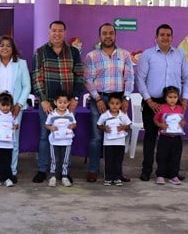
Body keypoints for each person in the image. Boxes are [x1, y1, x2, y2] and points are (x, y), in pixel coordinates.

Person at [136, 24, 188, 182]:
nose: (165, 38)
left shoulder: (180, 55)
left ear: (172, 38)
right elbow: (140, 79)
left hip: (174, 104)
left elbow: (187, 78)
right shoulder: (147, 55)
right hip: (152, 102)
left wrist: (185, 99)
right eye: (162, 35)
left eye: (168, 35)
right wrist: (149, 101)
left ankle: (170, 172)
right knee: (150, 138)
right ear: (156, 37)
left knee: (172, 139)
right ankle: (147, 170)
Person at [31, 20, 84, 183]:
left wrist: (75, 98)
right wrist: (43, 100)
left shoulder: (74, 52)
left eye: (60, 30)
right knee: (45, 134)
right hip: (48, 103)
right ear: (49, 32)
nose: (57, 33)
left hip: (66, 104)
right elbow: (36, 77)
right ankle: (42, 170)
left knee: (66, 134)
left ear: (65, 33)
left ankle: (63, 170)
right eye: (54, 30)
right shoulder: (40, 52)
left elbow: (79, 75)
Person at [84, 23, 134, 183]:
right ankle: (93, 170)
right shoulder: (91, 56)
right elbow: (87, 79)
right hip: (98, 99)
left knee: (118, 136)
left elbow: (129, 77)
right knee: (97, 136)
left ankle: (116, 172)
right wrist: (97, 98)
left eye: (111, 33)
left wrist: (126, 98)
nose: (108, 36)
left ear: (115, 35)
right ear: (100, 36)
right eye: (104, 33)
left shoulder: (125, 55)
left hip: (118, 101)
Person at [0, 35, 31, 183]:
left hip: (14, 109)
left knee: (13, 141)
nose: (5, 48)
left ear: (13, 49)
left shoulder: (21, 64)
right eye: (2, 45)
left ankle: (11, 172)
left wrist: (19, 105)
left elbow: (26, 86)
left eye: (8, 45)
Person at [96, 94, 132, 186]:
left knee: (118, 161)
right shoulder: (105, 115)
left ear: (120, 104)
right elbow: (98, 125)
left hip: (120, 143)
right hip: (108, 143)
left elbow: (129, 126)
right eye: (112, 103)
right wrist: (104, 128)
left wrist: (124, 127)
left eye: (117, 103)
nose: (114, 106)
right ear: (108, 104)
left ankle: (117, 178)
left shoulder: (123, 115)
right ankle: (108, 178)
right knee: (109, 161)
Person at [154, 86, 186, 185]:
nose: (172, 99)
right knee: (162, 156)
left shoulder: (180, 108)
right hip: (164, 136)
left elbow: (182, 120)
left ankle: (174, 176)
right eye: (170, 97)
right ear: (165, 97)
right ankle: (160, 175)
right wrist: (160, 125)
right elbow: (155, 119)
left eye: (175, 97)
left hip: (176, 137)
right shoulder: (162, 108)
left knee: (175, 157)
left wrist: (183, 123)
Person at [44, 92, 77, 187]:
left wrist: (72, 126)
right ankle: (53, 176)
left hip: (67, 141)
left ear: (68, 103)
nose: (62, 104)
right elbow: (46, 124)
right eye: (60, 102)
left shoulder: (70, 114)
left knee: (65, 160)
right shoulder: (52, 114)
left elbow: (74, 124)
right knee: (54, 159)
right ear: (55, 102)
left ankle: (64, 176)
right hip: (54, 141)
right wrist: (51, 128)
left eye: (65, 102)